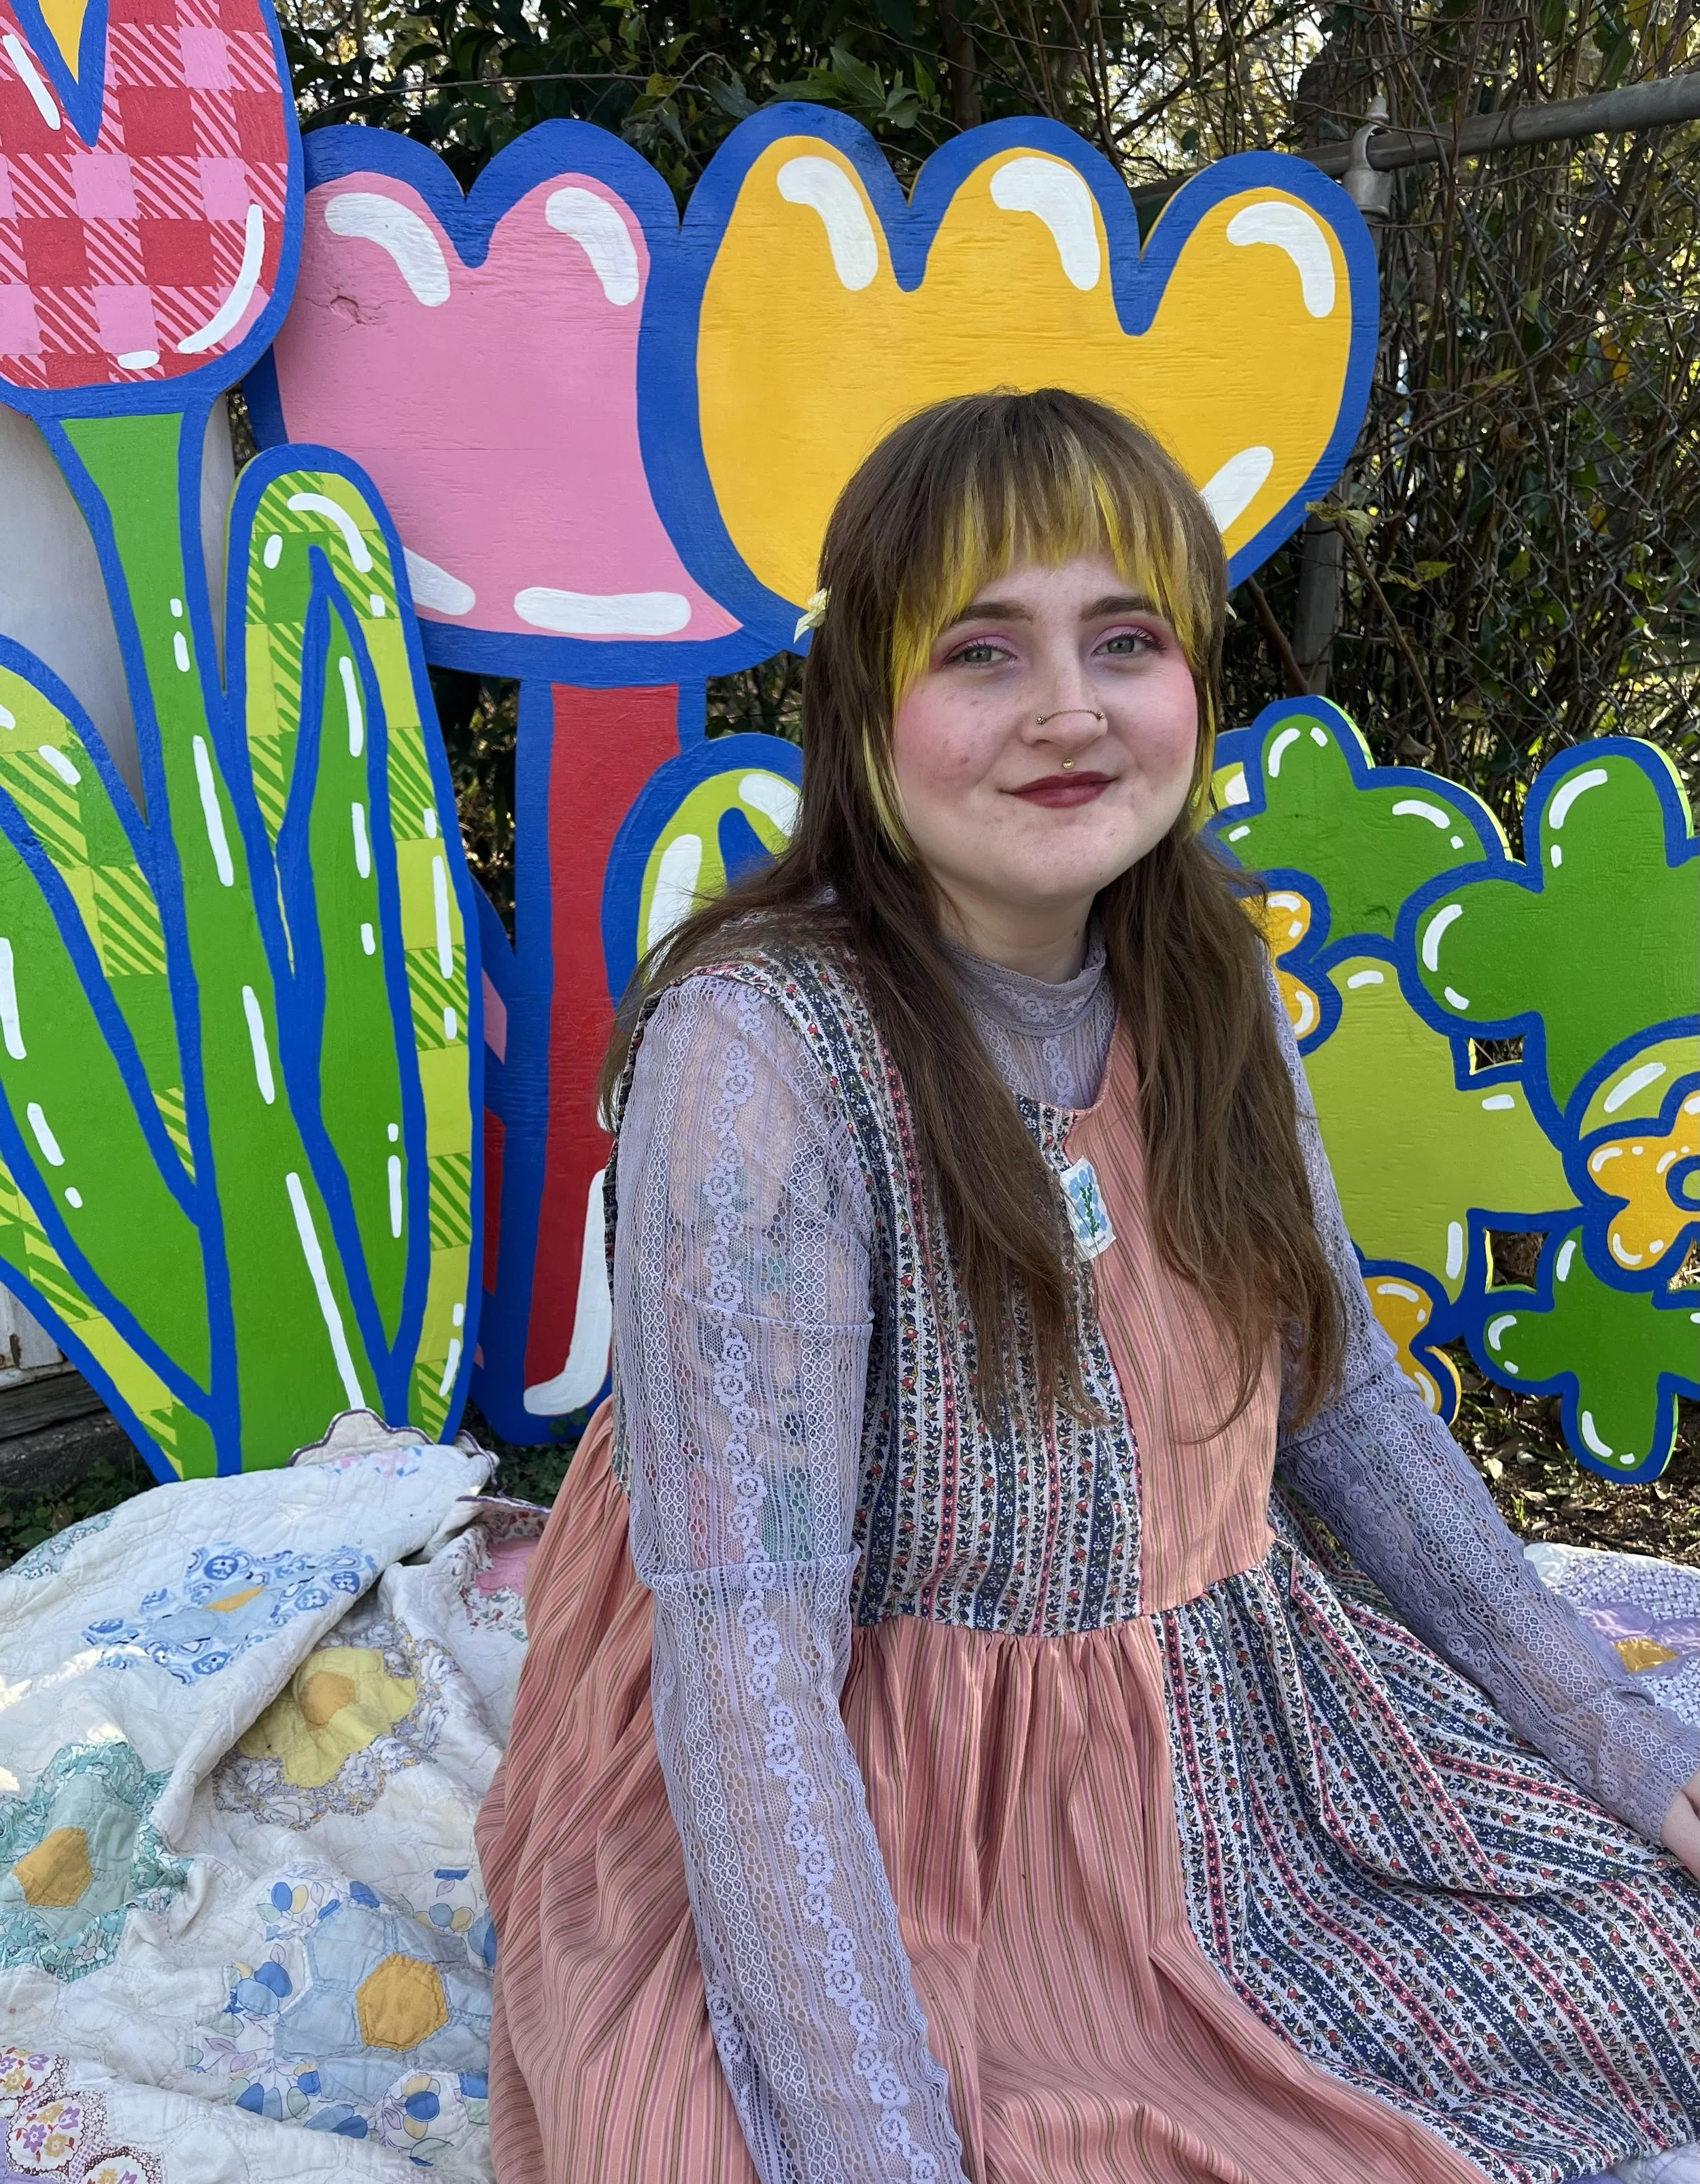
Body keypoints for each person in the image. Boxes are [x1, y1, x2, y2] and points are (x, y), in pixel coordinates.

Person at [475, 389, 1700, 2184]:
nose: (1069, 708)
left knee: (1632, 1954)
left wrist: (1628, 1755)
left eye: (1124, 641)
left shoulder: (1203, 977)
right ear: (865, 711)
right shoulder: (765, 1051)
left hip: (1219, 1747)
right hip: (872, 1788)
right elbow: (744, 1661)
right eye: (981, 650)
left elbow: (1342, 1406)